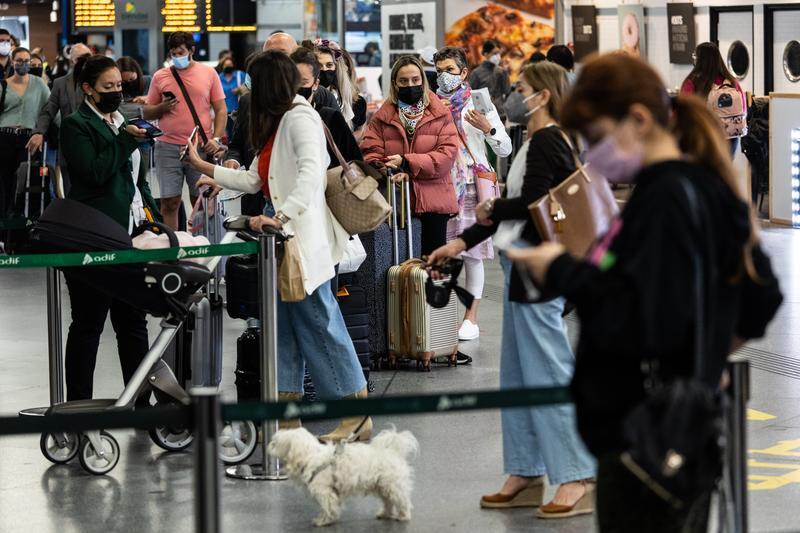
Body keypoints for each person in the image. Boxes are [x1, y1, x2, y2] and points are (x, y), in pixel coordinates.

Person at [506, 53, 783, 532]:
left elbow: (639, 312)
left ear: (637, 119)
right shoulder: (702, 184)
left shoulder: (664, 200)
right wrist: (705, 356)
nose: (592, 154)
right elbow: (759, 297)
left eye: (596, 137)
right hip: (677, 431)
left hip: (645, 438)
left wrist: (564, 271)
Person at [428, 61, 597, 519]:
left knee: (548, 373)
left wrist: (493, 209)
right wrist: (462, 242)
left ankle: (578, 476)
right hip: (522, 266)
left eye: (523, 88)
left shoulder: (547, 140)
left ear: (543, 96)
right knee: (520, 377)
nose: (515, 95)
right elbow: (515, 209)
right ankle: (526, 471)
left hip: (538, 271)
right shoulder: (539, 140)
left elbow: (531, 204)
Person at [185, 50, 371, 442]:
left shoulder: (300, 117)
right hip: (281, 241)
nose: (247, 90)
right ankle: (286, 418)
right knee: (283, 330)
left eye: (254, 82)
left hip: (300, 239)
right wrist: (204, 168)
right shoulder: (278, 121)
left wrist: (281, 217)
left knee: (321, 324)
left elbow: (311, 174)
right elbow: (255, 179)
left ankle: (354, 415)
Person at [58, 55, 161, 404]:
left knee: (133, 322)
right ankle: (79, 407)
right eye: (108, 86)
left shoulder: (122, 120)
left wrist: (153, 217)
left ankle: (140, 401)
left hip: (133, 234)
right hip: (94, 235)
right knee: (88, 324)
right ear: (89, 89)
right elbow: (95, 173)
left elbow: (137, 179)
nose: (117, 91)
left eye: (119, 85)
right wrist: (126, 141)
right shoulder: (75, 125)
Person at [433, 46, 511, 342]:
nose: (444, 76)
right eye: (439, 71)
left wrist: (489, 128)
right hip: (439, 184)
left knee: (472, 254)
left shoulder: (478, 104)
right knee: (441, 251)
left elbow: (505, 149)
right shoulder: (431, 102)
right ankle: (440, 318)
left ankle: (471, 318)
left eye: (450, 70)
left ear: (464, 72)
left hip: (470, 185)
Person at [360, 55, 459, 256]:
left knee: (432, 266)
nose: (410, 85)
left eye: (415, 80)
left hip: (433, 202)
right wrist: (385, 167)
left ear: (423, 80)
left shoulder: (440, 113)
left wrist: (407, 162)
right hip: (395, 202)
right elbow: (370, 151)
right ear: (395, 83)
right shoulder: (382, 117)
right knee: (397, 265)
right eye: (403, 81)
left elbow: (446, 156)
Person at [143, 31, 227, 230]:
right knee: (169, 201)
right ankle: (172, 243)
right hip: (167, 147)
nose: (177, 57)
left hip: (199, 147)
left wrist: (216, 139)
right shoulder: (160, 76)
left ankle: (202, 241)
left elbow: (221, 109)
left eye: (181, 52)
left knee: (201, 200)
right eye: (173, 53)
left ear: (192, 50)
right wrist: (162, 107)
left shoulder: (208, 73)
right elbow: (146, 112)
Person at [29, 42, 92, 189]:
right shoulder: (61, 83)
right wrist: (39, 132)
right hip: (69, 147)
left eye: (88, 57)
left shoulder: (100, 81)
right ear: (72, 61)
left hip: (94, 145)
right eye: (81, 58)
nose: (85, 62)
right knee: (71, 191)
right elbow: (48, 111)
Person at [0, 47, 51, 216]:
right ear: (12, 61)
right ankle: (4, 219)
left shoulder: (39, 84)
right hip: (5, 136)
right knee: (4, 180)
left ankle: (20, 216)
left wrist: (57, 129)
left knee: (24, 179)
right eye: (19, 60)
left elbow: (50, 109)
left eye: (26, 61)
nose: (23, 64)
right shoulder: (3, 85)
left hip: (28, 138)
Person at [291, 47, 362, 166]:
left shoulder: (331, 118)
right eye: (293, 82)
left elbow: (355, 161)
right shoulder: (277, 117)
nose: (297, 87)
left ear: (315, 84)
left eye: (303, 82)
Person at [681, 42, 746, 156]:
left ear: (699, 60)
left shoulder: (692, 82)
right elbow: (743, 109)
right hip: (731, 135)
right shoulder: (731, 81)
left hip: (704, 135)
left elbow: (684, 110)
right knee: (725, 166)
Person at [313, 40, 365, 131]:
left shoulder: (341, 96)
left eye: (329, 65)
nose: (324, 70)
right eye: (319, 66)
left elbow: (356, 131)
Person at [469, 39, 511, 121]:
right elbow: (470, 94)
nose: (498, 56)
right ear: (486, 54)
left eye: (499, 53)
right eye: (494, 53)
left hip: (500, 114)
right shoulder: (477, 73)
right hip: (484, 115)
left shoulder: (502, 72)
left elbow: (507, 91)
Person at [217, 56, 246, 139]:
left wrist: (240, 89)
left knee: (241, 133)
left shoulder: (240, 75)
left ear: (233, 65)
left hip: (239, 110)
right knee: (229, 134)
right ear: (222, 66)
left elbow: (250, 86)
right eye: (226, 65)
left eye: (230, 64)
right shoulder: (218, 78)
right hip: (225, 112)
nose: (228, 67)